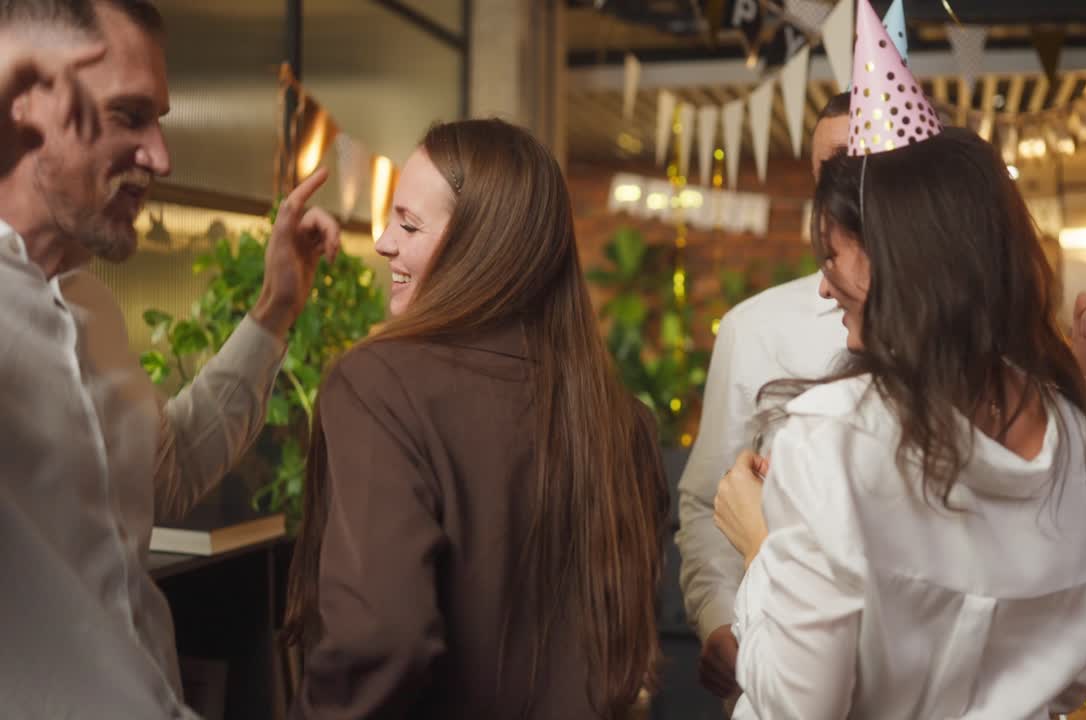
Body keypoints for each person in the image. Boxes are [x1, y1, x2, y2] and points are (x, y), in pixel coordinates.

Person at [713, 7, 1086, 715]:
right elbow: (1082, 668)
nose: (823, 285)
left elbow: (797, 705)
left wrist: (764, 545)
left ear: (897, 263)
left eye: (831, 257)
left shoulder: (832, 435)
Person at [0, 1, 340, 716]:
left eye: (158, 119)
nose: (161, 156)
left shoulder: (94, 310)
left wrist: (276, 309)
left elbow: (168, 471)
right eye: (128, 117)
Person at [283, 118, 669, 719]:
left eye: (409, 224)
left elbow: (381, 638)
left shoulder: (379, 384)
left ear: (482, 246)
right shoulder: (624, 421)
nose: (384, 242)